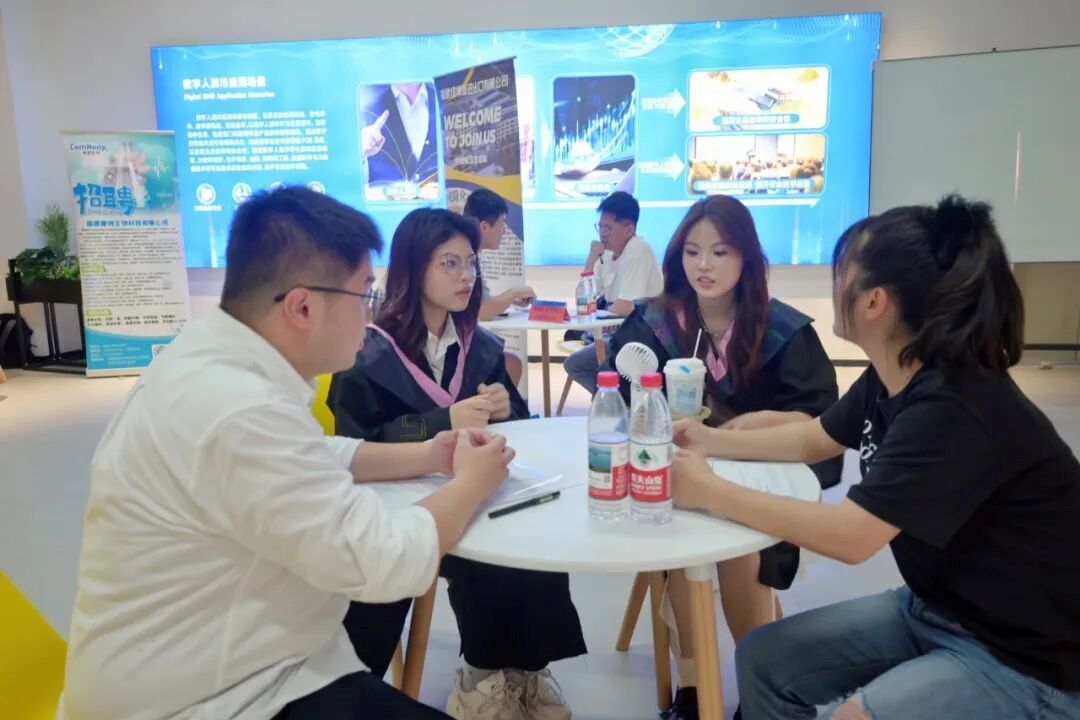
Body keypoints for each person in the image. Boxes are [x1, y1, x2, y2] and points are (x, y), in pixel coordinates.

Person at [57, 186, 516, 720]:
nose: (370, 311)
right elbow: (383, 560)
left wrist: (430, 455)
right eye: (363, 294)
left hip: (244, 662)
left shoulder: (212, 356)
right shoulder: (238, 408)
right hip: (211, 698)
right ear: (302, 306)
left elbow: (315, 452)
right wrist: (471, 483)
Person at [671, 195, 1080, 719]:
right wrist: (709, 441)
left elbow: (851, 537)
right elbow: (815, 437)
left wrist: (710, 490)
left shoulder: (954, 403)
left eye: (843, 273)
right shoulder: (895, 370)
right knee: (763, 658)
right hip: (935, 608)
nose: (834, 284)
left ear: (874, 302)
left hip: (1028, 659)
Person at [329, 208, 585, 720]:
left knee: (529, 534)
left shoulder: (481, 348)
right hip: (401, 503)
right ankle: (481, 678)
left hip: (479, 493)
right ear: (413, 267)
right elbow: (354, 446)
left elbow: (522, 430)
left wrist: (508, 409)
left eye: (470, 263)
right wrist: (440, 421)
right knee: (467, 554)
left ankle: (524, 671)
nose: (466, 276)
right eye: (449, 263)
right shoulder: (366, 353)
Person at [601, 195, 841, 720]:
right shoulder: (655, 323)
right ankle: (693, 687)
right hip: (676, 478)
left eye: (720, 251)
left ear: (746, 258)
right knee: (682, 548)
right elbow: (617, 396)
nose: (703, 266)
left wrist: (743, 431)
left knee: (740, 555)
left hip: (757, 477)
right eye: (692, 252)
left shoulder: (782, 330)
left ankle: (758, 690)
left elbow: (820, 423)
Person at [564, 191, 663, 394]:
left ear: (629, 230)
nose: (602, 234)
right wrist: (591, 258)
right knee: (574, 364)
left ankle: (615, 401)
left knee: (580, 365)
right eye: (600, 227)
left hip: (644, 340)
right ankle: (615, 401)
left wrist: (602, 311)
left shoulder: (638, 249)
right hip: (619, 335)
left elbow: (624, 307)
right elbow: (584, 301)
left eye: (608, 228)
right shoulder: (607, 256)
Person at [463, 188, 535, 386]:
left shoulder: (470, 253)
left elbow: (480, 304)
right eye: (502, 224)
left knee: (510, 362)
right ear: (484, 227)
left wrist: (511, 299)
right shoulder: (467, 257)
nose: (504, 231)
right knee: (511, 364)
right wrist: (514, 292)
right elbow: (483, 311)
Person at [361, 82, 438, 199]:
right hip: (386, 208)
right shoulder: (368, 111)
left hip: (439, 207)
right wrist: (361, 153)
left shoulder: (445, 102)